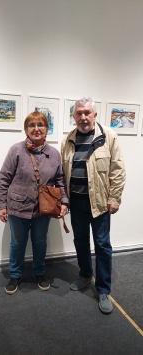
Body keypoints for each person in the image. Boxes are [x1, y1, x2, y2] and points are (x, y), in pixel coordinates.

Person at [61, 97, 126, 314]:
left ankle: (103, 289)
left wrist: (114, 198)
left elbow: (118, 170)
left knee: (102, 245)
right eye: (79, 113)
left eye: (87, 112)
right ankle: (85, 274)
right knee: (80, 240)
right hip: (76, 202)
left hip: (99, 202)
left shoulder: (109, 136)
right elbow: (64, 173)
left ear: (95, 114)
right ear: (74, 116)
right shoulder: (68, 140)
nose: (83, 117)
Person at [0, 111, 68, 295]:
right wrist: (2, 205)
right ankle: (15, 275)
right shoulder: (16, 150)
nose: (36, 129)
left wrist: (64, 203)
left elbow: (60, 180)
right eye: (32, 125)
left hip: (43, 208)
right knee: (17, 242)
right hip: (17, 206)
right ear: (26, 129)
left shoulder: (54, 154)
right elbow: (4, 178)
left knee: (40, 241)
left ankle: (39, 273)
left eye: (40, 125)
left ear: (46, 129)